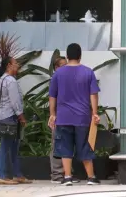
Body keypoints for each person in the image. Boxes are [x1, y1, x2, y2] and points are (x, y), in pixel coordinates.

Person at [48, 43, 101, 186]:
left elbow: (52, 96)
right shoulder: (88, 72)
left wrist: (52, 114)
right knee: (84, 145)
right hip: (82, 117)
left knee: (65, 147)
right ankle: (91, 177)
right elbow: (93, 95)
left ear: (67, 56)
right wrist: (94, 113)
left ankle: (67, 177)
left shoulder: (58, 74)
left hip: (63, 117)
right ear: (80, 56)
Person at [0, 56, 31, 185]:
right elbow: (15, 102)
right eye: (15, 63)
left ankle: (17, 174)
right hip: (9, 117)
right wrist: (21, 117)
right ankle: (3, 176)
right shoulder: (10, 81)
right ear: (9, 65)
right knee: (6, 146)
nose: (18, 65)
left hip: (2, 116)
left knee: (13, 146)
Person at [49, 56, 80, 184]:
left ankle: (67, 173)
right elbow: (52, 98)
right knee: (57, 144)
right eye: (62, 65)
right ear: (56, 68)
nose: (66, 67)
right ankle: (57, 174)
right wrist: (53, 114)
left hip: (67, 117)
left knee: (67, 144)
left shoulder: (65, 78)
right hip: (58, 117)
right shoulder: (56, 79)